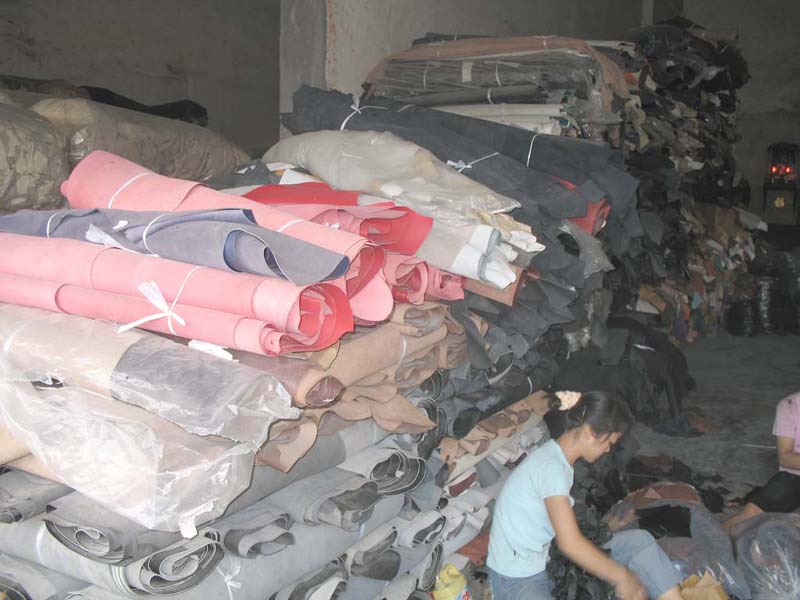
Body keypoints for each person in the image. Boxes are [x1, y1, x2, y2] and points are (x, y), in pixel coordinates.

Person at [486, 391, 685, 600]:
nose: (607, 450)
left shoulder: (558, 459)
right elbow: (570, 543)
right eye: (609, 442)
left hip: (548, 557)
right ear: (590, 433)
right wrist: (622, 577)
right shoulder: (552, 469)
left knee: (639, 542)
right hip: (516, 577)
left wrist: (606, 529)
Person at [722, 391, 800, 534]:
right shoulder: (790, 406)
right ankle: (709, 541)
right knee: (750, 516)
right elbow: (785, 458)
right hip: (795, 473)